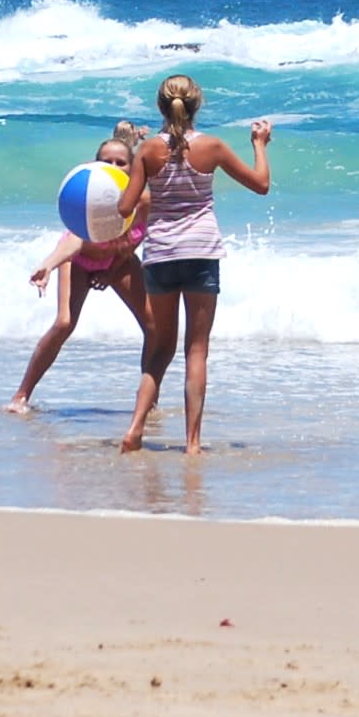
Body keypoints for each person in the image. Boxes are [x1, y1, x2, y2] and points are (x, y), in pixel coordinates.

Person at [117, 74, 273, 455]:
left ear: (160, 106)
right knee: (196, 350)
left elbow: (125, 207)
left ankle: (135, 428)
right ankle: (192, 443)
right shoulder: (212, 147)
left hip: (161, 254)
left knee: (160, 350)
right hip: (201, 251)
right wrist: (258, 144)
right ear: (196, 106)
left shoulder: (148, 151)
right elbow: (261, 184)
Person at [5, 136, 154, 415]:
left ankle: (149, 401)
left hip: (119, 260)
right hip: (78, 260)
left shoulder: (145, 202)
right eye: (106, 162)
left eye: (120, 162)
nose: (113, 167)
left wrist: (111, 273)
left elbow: (135, 240)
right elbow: (74, 241)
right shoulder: (90, 200)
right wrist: (49, 265)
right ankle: (21, 395)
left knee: (154, 326)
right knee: (64, 323)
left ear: (132, 168)